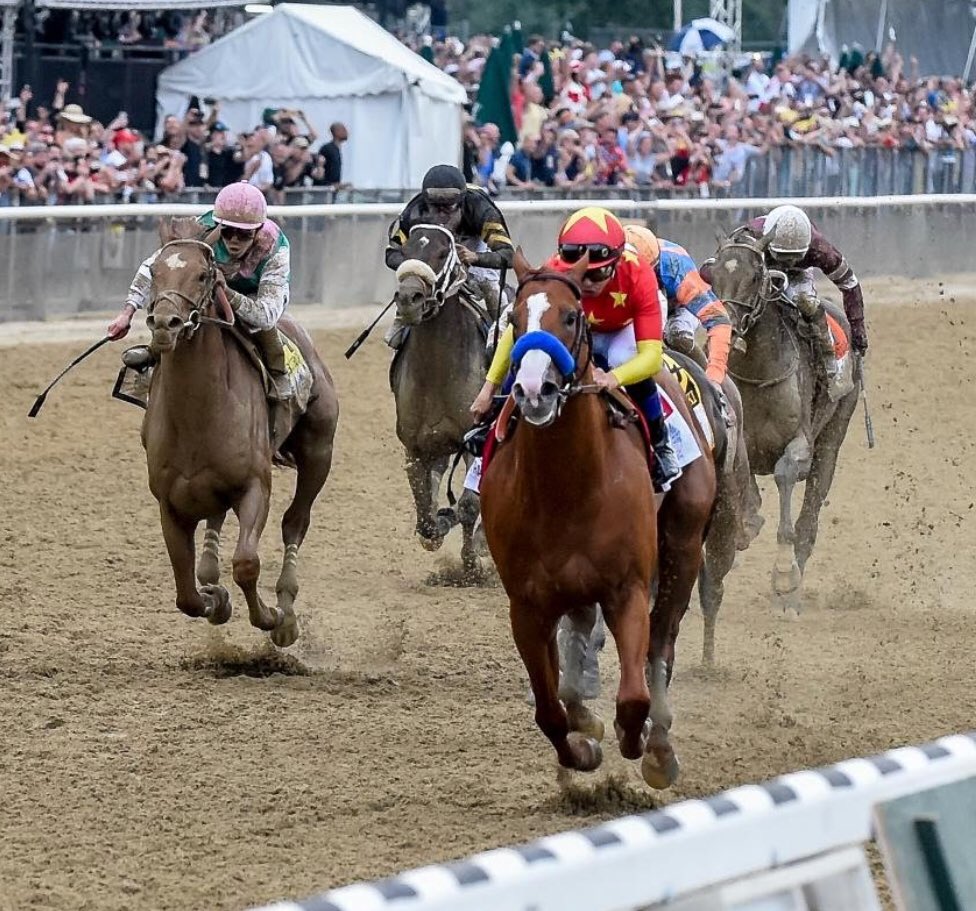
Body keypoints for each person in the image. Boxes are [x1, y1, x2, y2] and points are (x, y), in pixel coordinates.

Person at [470, 206, 682, 493]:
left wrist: (613, 378)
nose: (588, 283)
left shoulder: (639, 274)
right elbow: (516, 335)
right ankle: (489, 434)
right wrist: (487, 389)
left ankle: (661, 443)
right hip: (578, 326)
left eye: (599, 275)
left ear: (617, 262)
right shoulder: (555, 270)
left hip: (624, 329)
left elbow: (652, 358)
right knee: (535, 354)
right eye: (583, 275)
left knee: (621, 358)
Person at [106, 181, 294, 401]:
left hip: (254, 296)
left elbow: (265, 315)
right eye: (228, 231)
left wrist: (229, 293)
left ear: (257, 231)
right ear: (218, 225)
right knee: (178, 300)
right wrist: (127, 313)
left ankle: (277, 370)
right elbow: (154, 265)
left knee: (260, 327)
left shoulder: (275, 248)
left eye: (243, 234)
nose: (234, 240)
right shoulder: (201, 227)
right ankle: (155, 351)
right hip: (208, 285)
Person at [717, 204, 868, 398]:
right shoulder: (749, 237)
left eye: (793, 258)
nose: (787, 264)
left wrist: (858, 331)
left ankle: (829, 368)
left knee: (807, 304)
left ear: (807, 249)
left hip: (799, 275)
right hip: (760, 267)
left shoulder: (821, 249)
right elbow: (724, 268)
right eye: (782, 256)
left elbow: (850, 285)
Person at [383, 163, 515, 347]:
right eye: (435, 207)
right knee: (411, 287)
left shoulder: (480, 209)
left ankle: (504, 342)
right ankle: (403, 318)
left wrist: (475, 257)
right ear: (426, 201)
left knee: (493, 292)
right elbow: (391, 253)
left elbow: (508, 255)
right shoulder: (414, 211)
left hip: (473, 257)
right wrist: (414, 266)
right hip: (433, 263)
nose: (441, 213)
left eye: (449, 206)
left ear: (461, 201)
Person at [624, 224, 732, 386]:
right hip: (634, 307)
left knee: (677, 334)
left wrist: (715, 372)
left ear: (656, 265)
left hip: (678, 307)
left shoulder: (677, 270)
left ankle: (711, 388)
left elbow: (719, 319)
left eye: (647, 274)